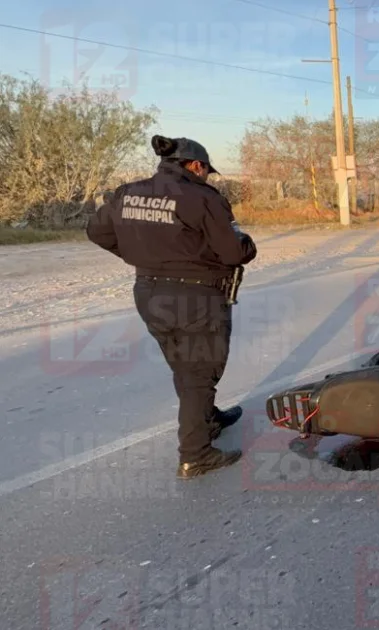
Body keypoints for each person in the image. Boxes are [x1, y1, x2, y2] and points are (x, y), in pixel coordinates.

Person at [86, 135, 256, 479]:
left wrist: (143, 256)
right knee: (199, 372)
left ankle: (207, 418)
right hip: (196, 297)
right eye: (206, 170)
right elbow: (233, 253)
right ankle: (196, 455)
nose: (207, 176)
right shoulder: (202, 197)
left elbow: (96, 232)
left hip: (148, 292)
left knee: (185, 364)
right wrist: (247, 245)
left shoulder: (128, 192)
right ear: (195, 165)